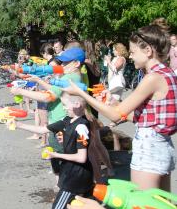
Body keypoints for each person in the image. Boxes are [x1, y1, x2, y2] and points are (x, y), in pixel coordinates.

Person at [64, 18, 176, 191]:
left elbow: (116, 115)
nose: (130, 56)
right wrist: (114, 102)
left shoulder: (152, 78)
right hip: (161, 147)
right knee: (161, 206)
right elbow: (141, 117)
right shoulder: (167, 73)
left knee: (142, 205)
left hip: (149, 149)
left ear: (147, 50)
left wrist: (82, 93)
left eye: (132, 51)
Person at [9, 92, 94, 209]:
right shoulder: (67, 120)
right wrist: (18, 124)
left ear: (77, 104)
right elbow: (43, 130)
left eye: (65, 105)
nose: (64, 108)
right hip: (74, 174)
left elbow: (81, 157)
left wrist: (55, 155)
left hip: (75, 177)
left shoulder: (81, 126)